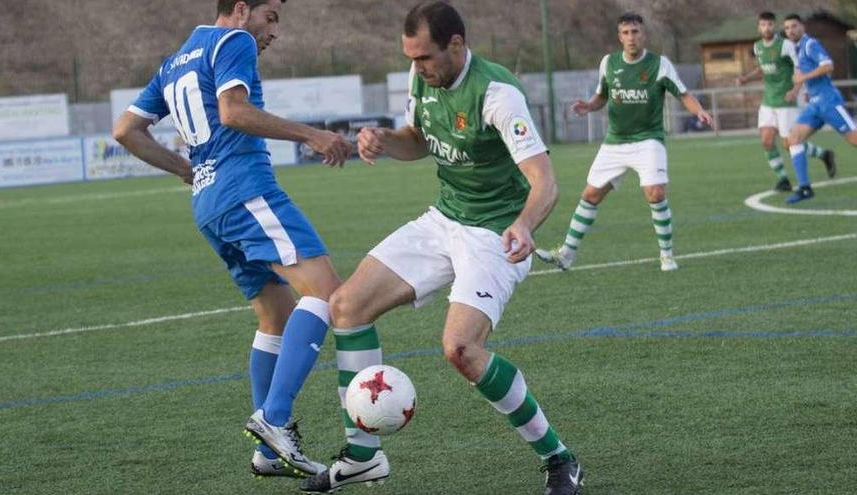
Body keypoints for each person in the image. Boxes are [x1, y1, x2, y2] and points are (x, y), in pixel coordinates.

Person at [298, 3, 583, 495]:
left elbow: (546, 182)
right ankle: (363, 457)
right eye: (411, 57)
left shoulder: (497, 94)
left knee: (461, 349)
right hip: (443, 218)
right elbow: (418, 140)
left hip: (495, 234)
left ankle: (559, 457)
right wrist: (384, 141)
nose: (418, 67)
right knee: (345, 306)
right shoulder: (422, 81)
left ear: (456, 44)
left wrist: (525, 223)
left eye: (425, 57)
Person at [112, 0, 352, 480]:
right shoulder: (234, 40)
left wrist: (186, 169)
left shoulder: (177, 58)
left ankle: (267, 453)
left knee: (276, 315)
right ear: (241, 9)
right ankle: (274, 417)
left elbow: (125, 130)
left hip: (208, 203)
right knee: (328, 294)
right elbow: (234, 111)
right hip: (245, 191)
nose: (274, 31)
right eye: (271, 16)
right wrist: (311, 135)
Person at [535, 12, 713, 272]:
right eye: (626, 33)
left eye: (636, 32)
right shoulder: (608, 63)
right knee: (590, 195)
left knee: (655, 192)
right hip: (615, 141)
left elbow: (683, 93)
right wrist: (588, 106)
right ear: (619, 37)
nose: (631, 37)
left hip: (648, 140)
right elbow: (601, 97)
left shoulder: (659, 64)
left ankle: (667, 255)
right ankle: (566, 254)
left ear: (644, 34)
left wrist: (699, 111)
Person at [736, 11, 835, 193]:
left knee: (789, 142)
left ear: (775, 26)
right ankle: (783, 179)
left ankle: (823, 154)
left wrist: (796, 90)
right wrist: (745, 79)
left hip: (787, 101)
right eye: (763, 25)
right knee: (766, 140)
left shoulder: (786, 45)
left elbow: (800, 68)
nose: (767, 28)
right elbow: (762, 69)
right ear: (759, 27)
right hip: (768, 101)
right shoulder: (757, 47)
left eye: (770, 24)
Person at [782, 13, 856, 204]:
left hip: (829, 101)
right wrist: (795, 89)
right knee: (793, 139)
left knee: (854, 140)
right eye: (787, 28)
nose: (790, 30)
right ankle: (805, 188)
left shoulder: (810, 44)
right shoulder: (797, 49)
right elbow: (803, 74)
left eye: (794, 26)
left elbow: (827, 66)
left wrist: (802, 79)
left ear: (802, 27)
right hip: (815, 103)